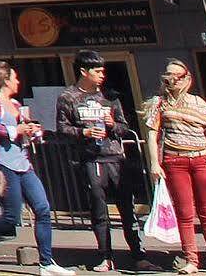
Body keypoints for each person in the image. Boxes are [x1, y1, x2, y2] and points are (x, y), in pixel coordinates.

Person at [0, 61, 72, 276]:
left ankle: (46, 263)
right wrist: (15, 130)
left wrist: (32, 130)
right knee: (11, 217)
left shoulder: (15, 103)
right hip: (4, 164)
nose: (18, 82)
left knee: (42, 208)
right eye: (15, 78)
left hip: (23, 163)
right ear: (5, 80)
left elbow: (24, 129)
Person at [55, 51, 144, 273]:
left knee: (127, 209)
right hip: (91, 159)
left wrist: (112, 124)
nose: (102, 75)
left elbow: (125, 127)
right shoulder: (68, 97)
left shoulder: (111, 96)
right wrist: (83, 131)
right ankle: (105, 256)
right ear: (83, 71)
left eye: (103, 71)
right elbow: (62, 128)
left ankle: (139, 255)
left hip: (116, 157)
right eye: (97, 71)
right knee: (99, 210)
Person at [146, 59, 206, 275]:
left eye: (175, 76)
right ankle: (191, 260)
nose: (170, 79)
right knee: (185, 213)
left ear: (186, 79)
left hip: (201, 159)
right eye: (167, 75)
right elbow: (151, 133)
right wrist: (154, 163)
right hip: (175, 162)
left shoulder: (198, 102)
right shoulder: (160, 103)